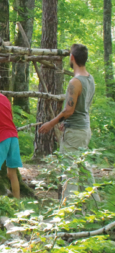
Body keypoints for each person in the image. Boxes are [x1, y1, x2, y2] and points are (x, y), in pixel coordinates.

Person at [38, 43, 99, 202]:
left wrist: (50, 123)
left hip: (75, 134)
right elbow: (80, 108)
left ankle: (69, 214)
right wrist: (66, 122)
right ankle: (94, 206)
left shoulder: (75, 82)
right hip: (83, 129)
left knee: (70, 172)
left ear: (72, 58)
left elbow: (69, 110)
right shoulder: (90, 78)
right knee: (84, 169)